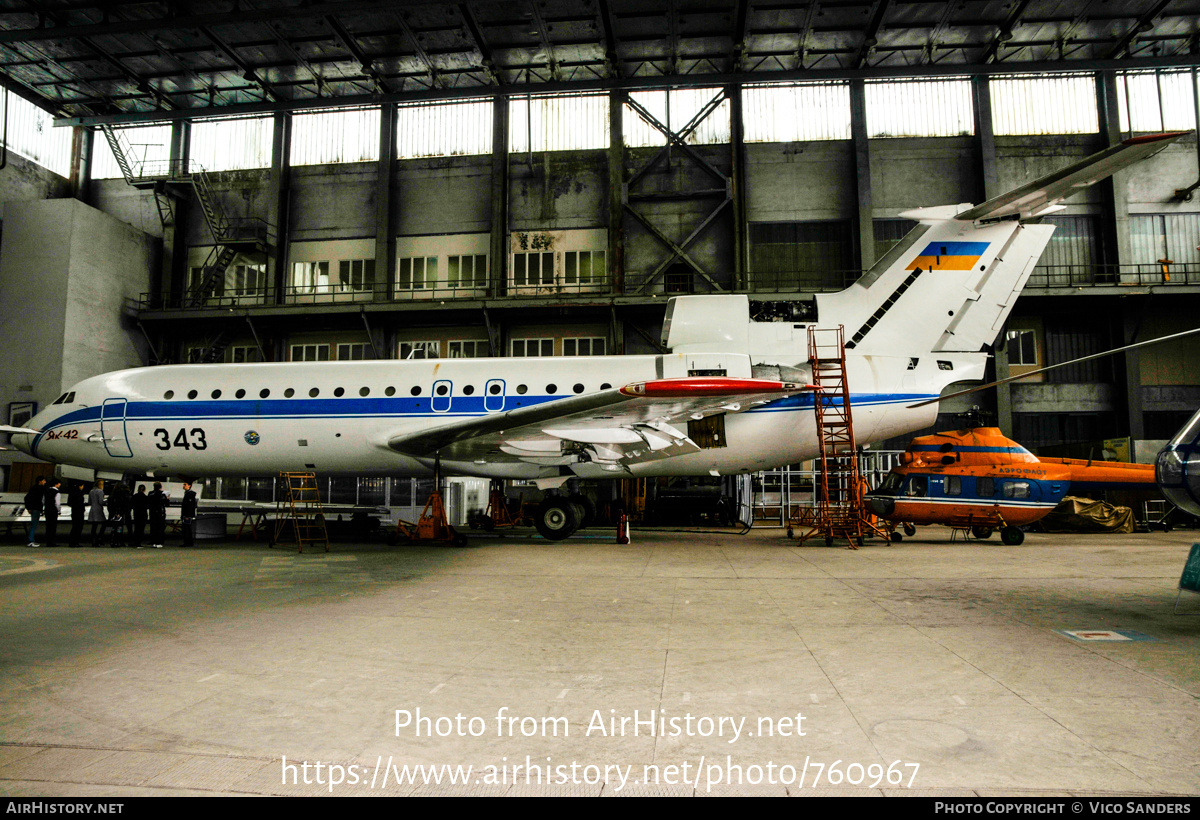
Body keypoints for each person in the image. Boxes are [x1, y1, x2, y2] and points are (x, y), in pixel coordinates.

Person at [24, 476, 46, 548]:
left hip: (33, 508)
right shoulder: (40, 489)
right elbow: (40, 501)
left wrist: (28, 507)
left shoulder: (33, 488)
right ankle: (31, 541)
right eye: (43, 480)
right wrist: (41, 509)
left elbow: (27, 498)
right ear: (40, 481)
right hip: (36, 508)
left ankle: (31, 540)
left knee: (33, 524)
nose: (45, 482)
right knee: (34, 525)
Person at [106, 482, 129, 547]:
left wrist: (111, 512)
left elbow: (109, 506)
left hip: (113, 513)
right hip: (120, 513)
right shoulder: (122, 496)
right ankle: (119, 541)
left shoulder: (111, 496)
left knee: (114, 527)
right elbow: (124, 505)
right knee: (119, 527)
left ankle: (113, 541)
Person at [148, 482, 168, 549]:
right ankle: (159, 542)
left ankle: (153, 542)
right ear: (160, 487)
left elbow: (148, 502)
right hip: (160, 512)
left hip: (152, 512)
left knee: (153, 527)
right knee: (160, 527)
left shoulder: (150, 493)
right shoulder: (162, 494)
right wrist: (167, 499)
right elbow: (166, 503)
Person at [67, 481, 86, 548]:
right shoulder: (80, 493)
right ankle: (76, 542)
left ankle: (72, 542)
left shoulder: (72, 493)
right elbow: (81, 503)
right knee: (78, 527)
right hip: (79, 512)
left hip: (74, 511)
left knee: (74, 527)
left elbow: (69, 503)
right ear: (80, 486)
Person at [43, 478, 61, 547]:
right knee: (53, 526)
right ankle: (52, 541)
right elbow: (57, 503)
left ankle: (48, 541)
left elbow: (43, 501)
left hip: (47, 509)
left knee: (48, 526)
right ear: (56, 484)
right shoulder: (57, 492)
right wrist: (59, 510)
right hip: (53, 510)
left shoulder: (47, 491)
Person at [88, 479, 107, 548]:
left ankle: (93, 540)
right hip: (98, 510)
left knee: (94, 526)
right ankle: (99, 538)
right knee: (104, 524)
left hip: (92, 509)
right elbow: (101, 502)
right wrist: (107, 500)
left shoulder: (91, 491)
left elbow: (89, 502)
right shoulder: (100, 491)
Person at [130, 484, 149, 548]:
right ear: (144, 490)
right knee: (141, 529)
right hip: (143, 514)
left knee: (136, 528)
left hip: (136, 514)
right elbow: (147, 505)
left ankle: (135, 542)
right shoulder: (145, 497)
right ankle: (139, 543)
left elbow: (132, 504)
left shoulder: (135, 496)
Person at [180, 482, 198, 547]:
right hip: (186, 514)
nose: (183, 486)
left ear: (189, 486)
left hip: (187, 515)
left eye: (185, 484)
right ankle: (188, 542)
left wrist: (187, 515)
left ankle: (187, 542)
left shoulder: (189, 494)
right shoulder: (188, 494)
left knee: (186, 528)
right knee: (187, 528)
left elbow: (190, 506)